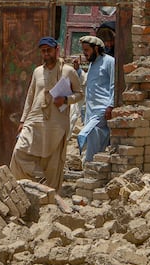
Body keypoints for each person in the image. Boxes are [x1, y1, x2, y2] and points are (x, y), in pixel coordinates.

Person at [9, 36, 83, 190]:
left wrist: (65, 100)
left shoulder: (68, 71)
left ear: (56, 50)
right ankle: (24, 188)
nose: (46, 54)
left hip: (56, 122)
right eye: (43, 51)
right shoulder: (37, 71)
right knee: (19, 152)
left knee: (53, 163)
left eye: (49, 50)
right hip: (35, 119)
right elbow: (30, 97)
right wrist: (23, 121)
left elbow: (80, 94)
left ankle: (50, 197)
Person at [77, 35, 115, 162]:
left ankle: (89, 165)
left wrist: (111, 105)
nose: (85, 53)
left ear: (96, 49)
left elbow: (114, 84)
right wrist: (77, 71)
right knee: (95, 138)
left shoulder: (109, 61)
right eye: (83, 50)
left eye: (87, 50)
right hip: (91, 111)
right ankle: (93, 166)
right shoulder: (92, 64)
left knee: (87, 133)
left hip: (103, 109)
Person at [69, 55, 87, 130]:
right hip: (73, 95)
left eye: (76, 63)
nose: (75, 64)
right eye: (74, 63)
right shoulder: (72, 72)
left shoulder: (81, 73)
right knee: (72, 113)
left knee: (76, 113)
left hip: (80, 96)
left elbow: (82, 84)